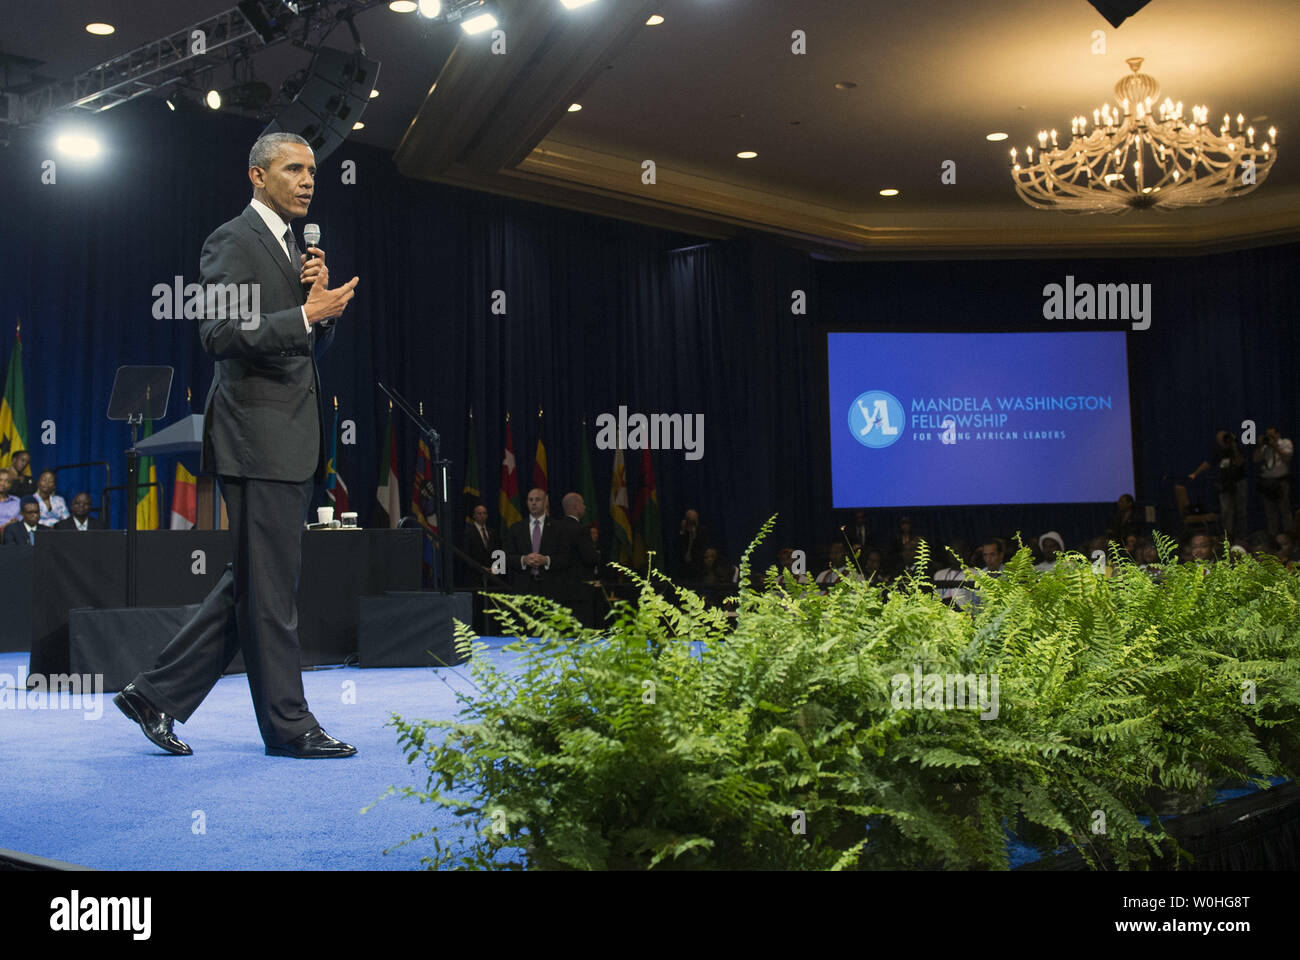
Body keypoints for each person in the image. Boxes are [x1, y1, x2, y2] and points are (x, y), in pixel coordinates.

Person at [116, 131, 360, 759]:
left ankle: (154, 695)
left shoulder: (297, 247)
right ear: (257, 176)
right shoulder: (231, 240)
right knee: (270, 591)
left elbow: (302, 353)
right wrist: (305, 315)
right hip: (256, 438)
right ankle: (289, 726)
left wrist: (318, 313)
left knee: (256, 583)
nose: (307, 180)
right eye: (292, 169)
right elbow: (218, 333)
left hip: (289, 438)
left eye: (312, 170)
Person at [505, 488, 565, 595]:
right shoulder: (516, 528)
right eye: (530, 500)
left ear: (546, 502)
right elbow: (507, 556)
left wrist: (546, 560)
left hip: (551, 588)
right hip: (523, 588)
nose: (533, 503)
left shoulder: (558, 527)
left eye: (537, 500)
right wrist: (524, 560)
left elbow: (566, 557)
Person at [555, 492, 601, 626]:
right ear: (576, 506)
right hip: (580, 591)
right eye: (583, 503)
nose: (585, 507)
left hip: (559, 589)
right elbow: (590, 558)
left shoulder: (555, 528)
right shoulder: (581, 530)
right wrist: (598, 556)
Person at [1189, 430, 1246, 538]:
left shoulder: (1237, 449)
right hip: (1224, 484)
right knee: (1226, 512)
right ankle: (1227, 535)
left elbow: (1240, 462)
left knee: (1241, 511)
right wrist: (1195, 473)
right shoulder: (1217, 451)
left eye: (1225, 438)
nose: (1224, 441)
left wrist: (1234, 447)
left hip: (1239, 483)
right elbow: (1207, 463)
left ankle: (1241, 536)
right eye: (1221, 440)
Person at [1254, 426, 1294, 537]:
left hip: (1281, 481)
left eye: (1272, 435)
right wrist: (1260, 445)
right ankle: (1273, 536)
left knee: (1285, 510)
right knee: (1270, 512)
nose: (1269, 438)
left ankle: (1289, 536)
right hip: (1267, 482)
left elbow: (1287, 458)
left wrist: (1275, 446)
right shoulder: (1265, 447)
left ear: (1278, 434)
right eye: (1268, 436)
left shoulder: (1285, 443)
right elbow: (1255, 459)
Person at [458, 503, 498, 588]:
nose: (482, 516)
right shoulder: (468, 533)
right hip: (474, 577)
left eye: (484, 513)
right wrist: (480, 568)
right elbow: (466, 556)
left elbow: (497, 551)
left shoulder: (492, 532)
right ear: (474, 516)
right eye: (479, 513)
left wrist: (494, 567)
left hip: (491, 577)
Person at [675, 509, 707, 580]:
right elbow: (678, 547)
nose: (691, 522)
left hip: (697, 566)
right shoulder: (683, 533)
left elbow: (702, 546)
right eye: (689, 519)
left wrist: (695, 534)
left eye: (693, 519)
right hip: (683, 567)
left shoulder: (702, 531)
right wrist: (683, 531)